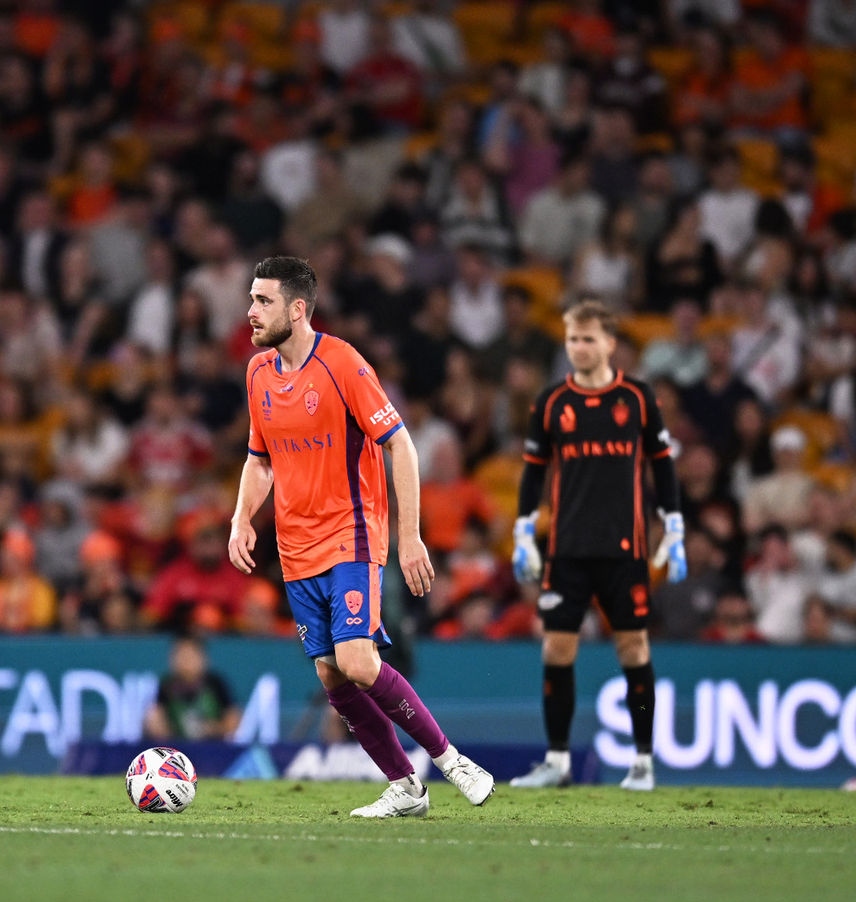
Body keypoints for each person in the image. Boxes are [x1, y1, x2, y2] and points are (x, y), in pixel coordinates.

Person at [228, 255, 494, 818]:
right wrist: (240, 519)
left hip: (352, 533)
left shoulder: (343, 363)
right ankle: (405, 787)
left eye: (262, 301)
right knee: (331, 673)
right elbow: (259, 461)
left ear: (297, 309)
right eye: (251, 299)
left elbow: (401, 444)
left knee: (357, 661)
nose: (250, 312)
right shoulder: (257, 376)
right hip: (295, 550)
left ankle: (450, 761)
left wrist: (410, 535)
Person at [510, 299, 686, 791]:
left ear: (610, 343)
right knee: (556, 649)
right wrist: (525, 531)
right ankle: (558, 761)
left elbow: (663, 463)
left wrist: (673, 526)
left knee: (633, 648)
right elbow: (533, 472)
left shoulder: (638, 397)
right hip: (566, 550)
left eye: (588, 339)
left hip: (624, 549)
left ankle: (644, 761)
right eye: (572, 339)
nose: (579, 348)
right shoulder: (551, 402)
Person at [145, 634, 241, 741]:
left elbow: (233, 719)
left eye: (190, 655)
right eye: (180, 655)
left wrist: (211, 728)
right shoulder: (166, 685)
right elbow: (156, 720)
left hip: (213, 747)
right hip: (177, 748)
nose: (185, 661)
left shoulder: (215, 683)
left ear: (202, 658)